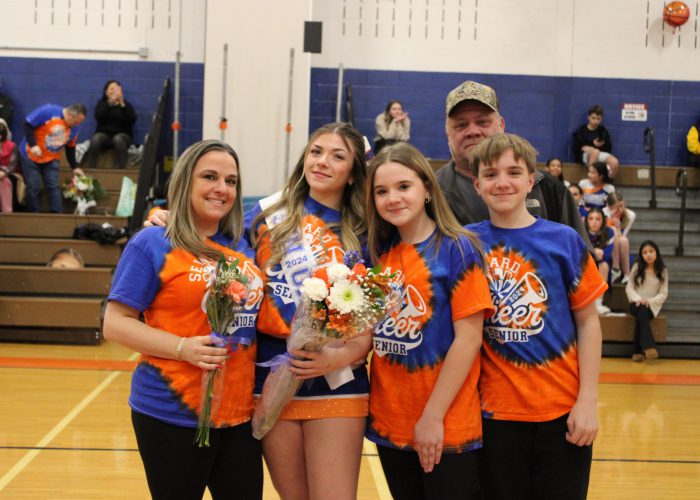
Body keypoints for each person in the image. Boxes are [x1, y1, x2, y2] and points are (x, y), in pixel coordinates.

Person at [103, 139, 264, 499]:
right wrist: (182, 348)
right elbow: (114, 323)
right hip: (170, 410)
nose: (222, 188)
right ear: (185, 182)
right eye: (209, 176)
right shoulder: (153, 242)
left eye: (231, 181)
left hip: (239, 414)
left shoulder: (244, 245)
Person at [467, 133, 606, 500]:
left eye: (514, 172)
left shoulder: (565, 241)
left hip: (561, 414)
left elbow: (589, 322)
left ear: (531, 180)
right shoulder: (464, 244)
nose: (502, 182)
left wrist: (588, 401)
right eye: (491, 174)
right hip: (492, 417)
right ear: (476, 183)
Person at [248, 122, 372, 500]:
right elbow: (216, 247)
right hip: (272, 375)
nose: (322, 162)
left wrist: (339, 357)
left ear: (353, 174)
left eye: (338, 156)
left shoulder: (367, 230)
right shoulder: (266, 214)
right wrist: (165, 219)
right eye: (316, 151)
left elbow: (371, 318)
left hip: (338, 381)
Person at [365, 142, 493, 499]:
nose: (393, 198)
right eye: (382, 191)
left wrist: (433, 416)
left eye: (403, 186)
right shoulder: (378, 255)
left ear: (426, 189)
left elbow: (469, 339)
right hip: (391, 423)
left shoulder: (458, 247)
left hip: (445, 423)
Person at [435, 81, 591, 251]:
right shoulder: (429, 194)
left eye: (482, 122)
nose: (473, 131)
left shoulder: (549, 189)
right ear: (447, 132)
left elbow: (582, 263)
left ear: (501, 125)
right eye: (461, 125)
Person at [19, 103, 86, 213]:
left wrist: (74, 166)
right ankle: (34, 214)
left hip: (51, 157)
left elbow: (70, 147)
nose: (77, 125)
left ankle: (57, 214)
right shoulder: (48, 111)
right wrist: (33, 145)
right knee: (33, 186)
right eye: (76, 122)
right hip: (30, 154)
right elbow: (27, 124)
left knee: (53, 186)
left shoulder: (74, 128)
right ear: (70, 115)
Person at [625, 240, 668, 362]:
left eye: (651, 251)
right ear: (641, 255)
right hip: (635, 303)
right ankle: (649, 346)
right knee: (641, 310)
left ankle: (637, 352)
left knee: (642, 314)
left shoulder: (663, 271)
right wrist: (639, 299)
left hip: (652, 305)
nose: (648, 255)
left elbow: (663, 293)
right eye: (645, 252)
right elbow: (629, 287)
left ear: (656, 253)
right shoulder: (637, 267)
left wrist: (649, 301)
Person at [85, 80, 137, 169]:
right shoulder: (102, 104)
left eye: (116, 89)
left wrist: (122, 104)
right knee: (96, 139)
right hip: (105, 136)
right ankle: (91, 169)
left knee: (118, 139)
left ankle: (122, 170)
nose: (113, 91)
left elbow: (132, 121)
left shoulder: (126, 105)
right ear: (106, 92)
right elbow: (99, 117)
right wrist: (110, 104)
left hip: (123, 136)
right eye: (111, 89)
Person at [572, 104, 620, 179]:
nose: (595, 121)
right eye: (593, 118)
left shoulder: (603, 131)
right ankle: (591, 179)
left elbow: (608, 147)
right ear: (588, 117)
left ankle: (607, 181)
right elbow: (576, 147)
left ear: (601, 119)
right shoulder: (581, 131)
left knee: (615, 162)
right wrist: (589, 146)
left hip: (599, 153)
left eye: (598, 119)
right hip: (584, 156)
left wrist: (602, 145)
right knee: (595, 152)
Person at [585, 207, 617, 314]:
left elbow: (608, 255)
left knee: (604, 265)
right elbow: (577, 252)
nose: (594, 222)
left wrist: (600, 254)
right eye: (591, 218)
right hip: (584, 263)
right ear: (586, 220)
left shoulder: (609, 232)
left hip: (600, 264)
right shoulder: (581, 231)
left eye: (597, 219)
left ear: (603, 220)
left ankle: (598, 302)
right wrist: (593, 252)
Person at [604, 192, 635, 283]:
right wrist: (610, 221)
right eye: (616, 208)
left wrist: (618, 227)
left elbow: (623, 235)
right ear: (609, 207)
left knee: (624, 240)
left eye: (621, 206)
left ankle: (627, 275)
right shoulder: (604, 213)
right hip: (606, 243)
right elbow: (605, 237)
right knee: (613, 231)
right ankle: (616, 267)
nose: (620, 210)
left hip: (620, 244)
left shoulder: (630, 215)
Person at [0, 118, 17, 212]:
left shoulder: (11, 146)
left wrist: (3, 172)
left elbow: (12, 165)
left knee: (4, 182)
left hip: (8, 174)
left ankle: (7, 212)